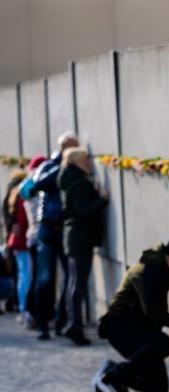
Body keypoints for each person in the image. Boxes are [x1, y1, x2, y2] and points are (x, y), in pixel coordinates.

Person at [94, 235, 169, 392]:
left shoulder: (163, 265)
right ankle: (112, 378)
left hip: (139, 328)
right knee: (165, 344)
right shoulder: (151, 271)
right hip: (119, 326)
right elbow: (153, 313)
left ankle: (110, 370)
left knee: (158, 389)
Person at [22, 132, 78, 340]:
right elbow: (35, 187)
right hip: (48, 226)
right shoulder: (51, 165)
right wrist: (61, 169)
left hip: (60, 226)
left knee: (66, 276)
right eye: (74, 147)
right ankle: (43, 322)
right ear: (65, 148)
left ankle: (60, 321)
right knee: (46, 277)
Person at [58, 147, 109, 345]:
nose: (89, 162)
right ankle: (74, 326)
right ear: (78, 161)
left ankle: (72, 324)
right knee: (77, 284)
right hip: (80, 238)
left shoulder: (71, 179)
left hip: (74, 236)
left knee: (74, 283)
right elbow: (83, 211)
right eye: (86, 159)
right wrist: (102, 201)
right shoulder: (77, 183)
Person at [21, 155, 48, 328]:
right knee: (39, 278)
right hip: (38, 235)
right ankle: (33, 314)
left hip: (32, 235)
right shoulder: (33, 186)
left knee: (35, 277)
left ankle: (31, 313)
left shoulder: (26, 185)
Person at [5, 170, 32, 325]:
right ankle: (24, 308)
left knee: (23, 275)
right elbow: (22, 222)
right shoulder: (21, 197)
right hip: (21, 242)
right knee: (26, 276)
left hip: (16, 241)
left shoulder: (14, 194)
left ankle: (22, 307)